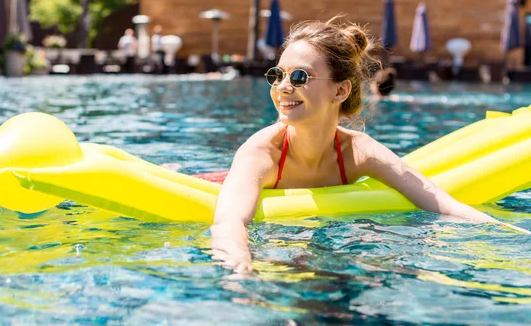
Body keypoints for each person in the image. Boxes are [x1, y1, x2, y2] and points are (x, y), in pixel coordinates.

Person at [210, 17, 529, 274]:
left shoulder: (358, 151)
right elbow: (229, 220)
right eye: (277, 75)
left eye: (299, 77)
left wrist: (511, 235)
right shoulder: (261, 152)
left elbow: (438, 201)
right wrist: (241, 268)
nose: (283, 87)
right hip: (223, 180)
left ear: (340, 91)